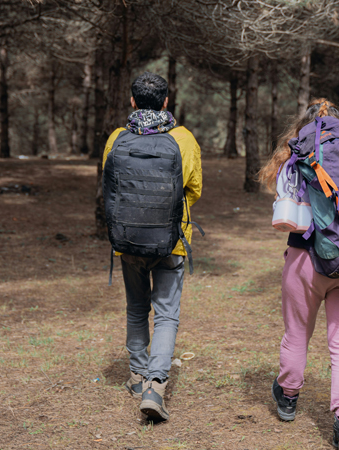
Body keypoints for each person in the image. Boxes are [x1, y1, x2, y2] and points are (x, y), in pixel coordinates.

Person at [259, 98, 339, 449]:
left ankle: (289, 397)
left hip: (305, 260)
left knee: (297, 334)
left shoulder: (295, 154)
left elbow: (284, 209)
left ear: (304, 126)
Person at [102, 72, 202, 421]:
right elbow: (194, 189)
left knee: (135, 309)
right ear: (166, 101)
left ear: (132, 101)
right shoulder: (183, 139)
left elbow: (110, 186)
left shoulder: (117, 137)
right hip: (171, 241)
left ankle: (135, 375)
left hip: (127, 240)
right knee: (166, 314)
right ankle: (155, 387)